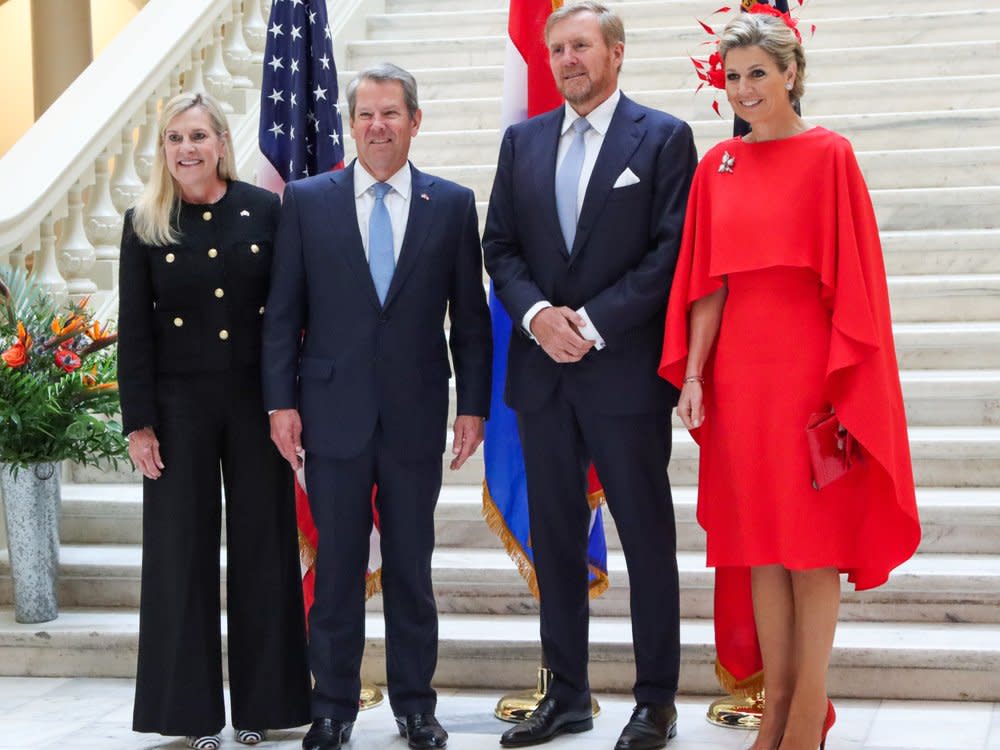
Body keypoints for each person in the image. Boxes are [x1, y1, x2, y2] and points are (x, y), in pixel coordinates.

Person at [658, 12, 920, 750]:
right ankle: (774, 706)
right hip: (740, 376)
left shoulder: (831, 155)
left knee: (810, 544)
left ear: (791, 73)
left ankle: (809, 709)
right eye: (732, 77)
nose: (743, 90)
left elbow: (856, 282)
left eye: (757, 75)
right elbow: (708, 283)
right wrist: (696, 374)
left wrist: (843, 382)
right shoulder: (719, 167)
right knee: (758, 544)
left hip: (811, 368)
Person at [483, 3, 697, 748]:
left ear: (615, 53)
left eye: (581, 47)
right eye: (557, 50)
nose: (567, 59)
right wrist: (539, 315)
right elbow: (500, 247)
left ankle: (656, 702)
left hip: (625, 377)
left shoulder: (664, 138)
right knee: (556, 542)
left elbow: (671, 252)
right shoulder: (522, 141)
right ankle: (567, 695)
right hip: (542, 378)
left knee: (646, 538)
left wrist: (594, 323)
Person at [262, 63, 492, 750]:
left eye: (391, 113)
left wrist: (472, 405)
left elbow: (471, 320)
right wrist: (279, 403)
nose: (377, 126)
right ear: (350, 123)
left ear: (414, 121)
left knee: (412, 568)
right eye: (365, 114)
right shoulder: (307, 201)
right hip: (330, 413)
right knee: (335, 571)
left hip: (417, 414)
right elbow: (283, 314)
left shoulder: (450, 205)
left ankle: (415, 707)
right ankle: (332, 707)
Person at [117, 92, 311, 750]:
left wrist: (289, 401)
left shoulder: (264, 210)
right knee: (179, 556)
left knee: (264, 549)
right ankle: (188, 715)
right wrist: (138, 421)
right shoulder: (145, 221)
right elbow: (135, 332)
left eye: (198, 135)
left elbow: (286, 316)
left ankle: (266, 705)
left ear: (223, 143)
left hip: (256, 404)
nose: (186, 149)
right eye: (174, 138)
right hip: (176, 411)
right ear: (163, 150)